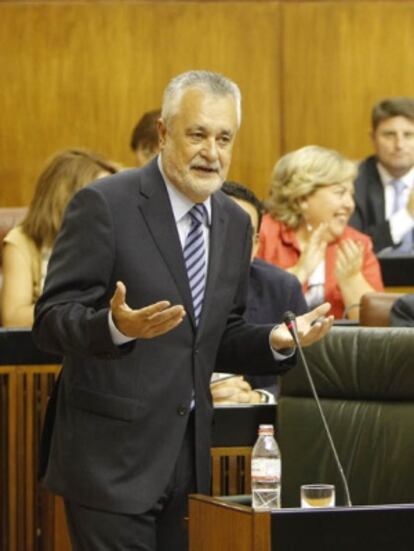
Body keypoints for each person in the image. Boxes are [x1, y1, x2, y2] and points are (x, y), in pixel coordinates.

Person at [33, 71, 333, 551]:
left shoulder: (234, 223)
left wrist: (274, 339)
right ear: (163, 133)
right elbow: (50, 321)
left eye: (223, 138)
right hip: (110, 460)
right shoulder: (105, 204)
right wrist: (115, 327)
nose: (211, 152)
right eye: (197, 134)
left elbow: (218, 334)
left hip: (188, 461)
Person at [258, 145, 384, 320]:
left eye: (351, 194)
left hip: (337, 347)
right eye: (340, 193)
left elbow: (378, 328)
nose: (350, 205)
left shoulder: (357, 244)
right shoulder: (262, 234)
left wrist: (351, 280)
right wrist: (299, 273)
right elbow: (249, 312)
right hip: (272, 345)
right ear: (302, 198)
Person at [210, 181, 308, 405]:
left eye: (241, 235)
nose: (226, 243)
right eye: (219, 229)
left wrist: (257, 397)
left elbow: (304, 379)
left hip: (255, 425)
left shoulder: (281, 288)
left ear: (255, 246)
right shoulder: (161, 282)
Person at [0, 148, 118, 327]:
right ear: (65, 197)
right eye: (101, 196)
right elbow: (13, 317)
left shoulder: (120, 234)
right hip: (49, 347)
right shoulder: (24, 241)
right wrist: (74, 309)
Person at [349, 97, 414, 254]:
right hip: (371, 276)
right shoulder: (353, 183)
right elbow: (352, 247)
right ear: (373, 139)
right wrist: (407, 215)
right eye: (389, 135)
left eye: (408, 135)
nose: (399, 145)